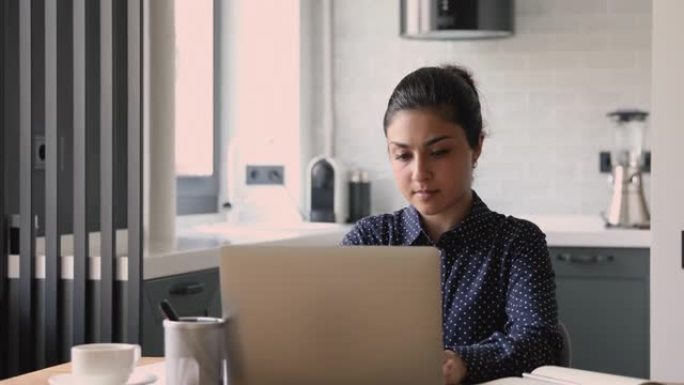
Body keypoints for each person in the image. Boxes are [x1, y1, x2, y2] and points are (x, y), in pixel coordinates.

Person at [341, 64, 562, 384]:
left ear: (476, 147)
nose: (419, 173)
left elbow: (541, 344)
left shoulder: (516, 242)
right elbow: (331, 336)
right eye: (403, 155)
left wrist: (462, 362)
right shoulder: (369, 239)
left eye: (439, 152)